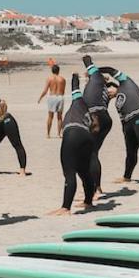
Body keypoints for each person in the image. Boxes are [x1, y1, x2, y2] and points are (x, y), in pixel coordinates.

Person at [98, 61, 139, 187]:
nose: (108, 93)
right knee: (131, 151)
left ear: (114, 85)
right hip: (129, 122)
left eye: (108, 89)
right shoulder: (117, 102)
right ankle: (127, 177)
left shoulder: (126, 83)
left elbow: (110, 69)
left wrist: (95, 71)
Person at [50, 72, 101, 215]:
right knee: (84, 172)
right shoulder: (91, 114)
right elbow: (95, 129)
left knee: (69, 172)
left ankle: (65, 208)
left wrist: (74, 76)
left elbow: (75, 88)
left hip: (72, 133)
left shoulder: (79, 102)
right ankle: (88, 202)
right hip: (87, 137)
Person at [0, 99, 27, 175]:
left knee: (17, 145)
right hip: (0, 124)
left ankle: (22, 170)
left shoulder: (5, 116)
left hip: (8, 123)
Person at [37, 64, 67, 138]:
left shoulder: (49, 79)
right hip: (60, 97)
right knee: (59, 117)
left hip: (52, 97)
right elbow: (63, 91)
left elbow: (45, 90)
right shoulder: (62, 79)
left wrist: (40, 98)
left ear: (52, 71)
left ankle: (48, 134)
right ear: (58, 71)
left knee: (50, 116)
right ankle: (59, 134)